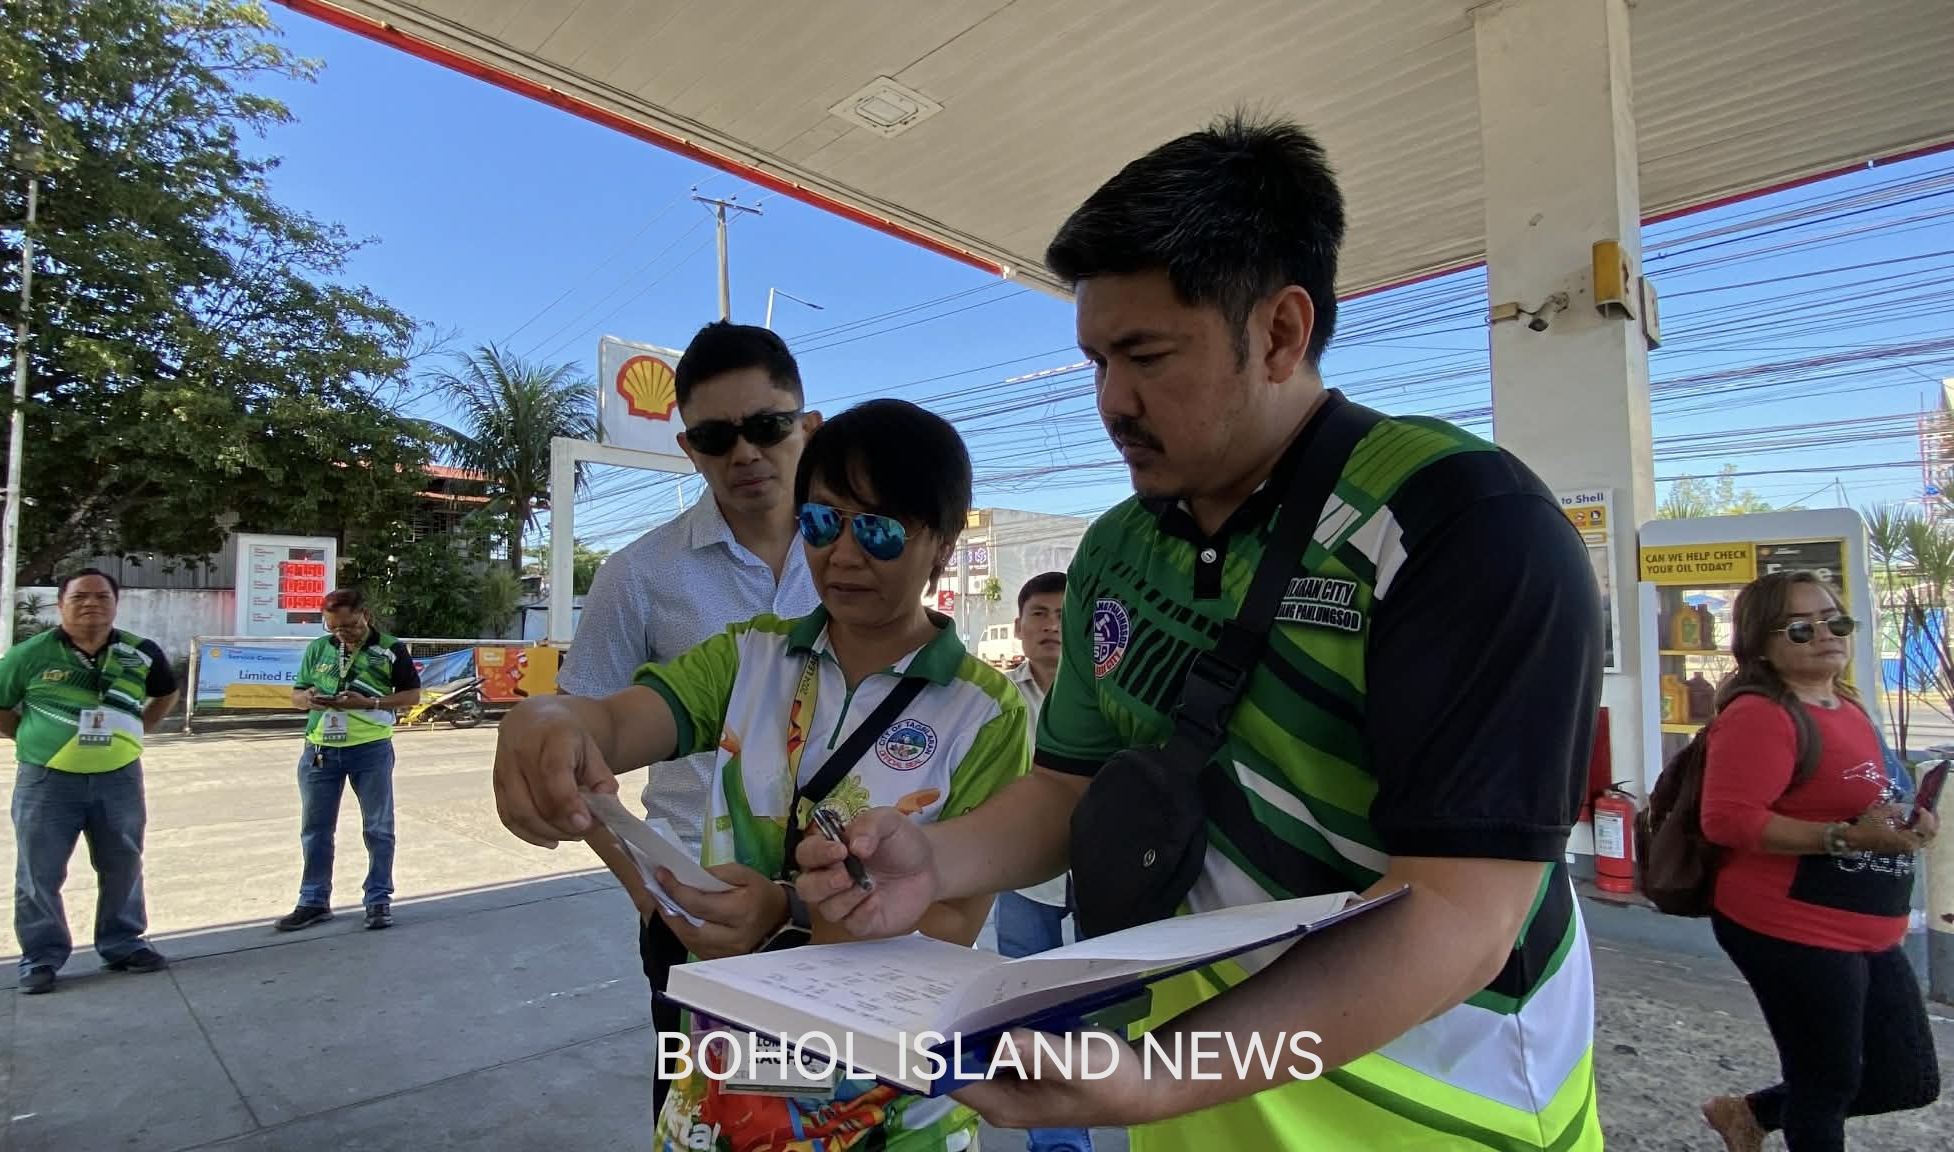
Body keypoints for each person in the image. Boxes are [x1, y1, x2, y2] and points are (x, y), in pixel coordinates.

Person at [792, 115, 1607, 1150]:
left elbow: (1458, 915)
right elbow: (1070, 786)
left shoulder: (1458, 526)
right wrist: (932, 858)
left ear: (1278, 331)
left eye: (1144, 355)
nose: (1109, 402)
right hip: (1189, 1116)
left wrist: (1154, 1075)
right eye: (1094, 360)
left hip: (1436, 1114)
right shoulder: (1114, 553)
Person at [493, 399, 1031, 1151]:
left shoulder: (986, 711)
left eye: (877, 531)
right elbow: (617, 722)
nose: (842, 557)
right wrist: (550, 721)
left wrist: (788, 912)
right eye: (820, 523)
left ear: (941, 545)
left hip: (889, 1097)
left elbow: (949, 922)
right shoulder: (752, 655)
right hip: (728, 1074)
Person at [551, 320, 822, 1118]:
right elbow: (578, 745)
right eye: (715, 436)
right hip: (696, 910)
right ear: (689, 447)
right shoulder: (639, 577)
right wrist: (652, 897)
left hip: (842, 899)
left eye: (767, 427)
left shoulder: (858, 557)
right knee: (707, 1120)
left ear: (807, 427)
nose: (744, 454)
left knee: (832, 1115)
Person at [1698, 571, 1940, 1152]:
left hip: (1867, 927)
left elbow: (1865, 796)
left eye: (1836, 621)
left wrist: (1910, 820)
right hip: (1789, 925)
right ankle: (1768, 1116)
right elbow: (1728, 820)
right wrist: (1846, 838)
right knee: (1825, 1084)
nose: (1827, 635)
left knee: (1906, 1078)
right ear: (1761, 642)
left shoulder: (1846, 705)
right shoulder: (1760, 715)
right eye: (1802, 628)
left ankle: (1749, 1113)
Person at [0, 568, 180, 994]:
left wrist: (138, 730)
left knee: (123, 862)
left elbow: (166, 692)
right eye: (80, 597)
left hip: (118, 777)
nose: (91, 604)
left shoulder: (140, 652)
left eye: (102, 597)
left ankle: (123, 943)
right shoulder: (29, 655)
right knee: (40, 871)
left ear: (116, 603)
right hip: (48, 780)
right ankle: (40, 958)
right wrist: (32, 740)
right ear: (60, 604)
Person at [990, 571, 1092, 1152]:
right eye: (1039, 614)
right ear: (1019, 627)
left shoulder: (1108, 695)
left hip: (1104, 882)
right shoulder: (999, 699)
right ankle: (1058, 1145)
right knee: (1033, 1016)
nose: (1051, 625)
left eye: (1062, 613)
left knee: (1105, 1018)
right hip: (1025, 882)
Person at [274, 588, 421, 933]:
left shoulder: (390, 649)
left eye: (350, 627)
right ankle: (313, 901)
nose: (343, 634)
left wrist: (369, 704)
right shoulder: (318, 649)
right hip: (319, 750)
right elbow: (296, 693)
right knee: (315, 830)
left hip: (370, 748)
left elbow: (413, 695)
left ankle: (378, 900)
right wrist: (307, 699)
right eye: (335, 628)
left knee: (378, 828)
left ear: (364, 615)